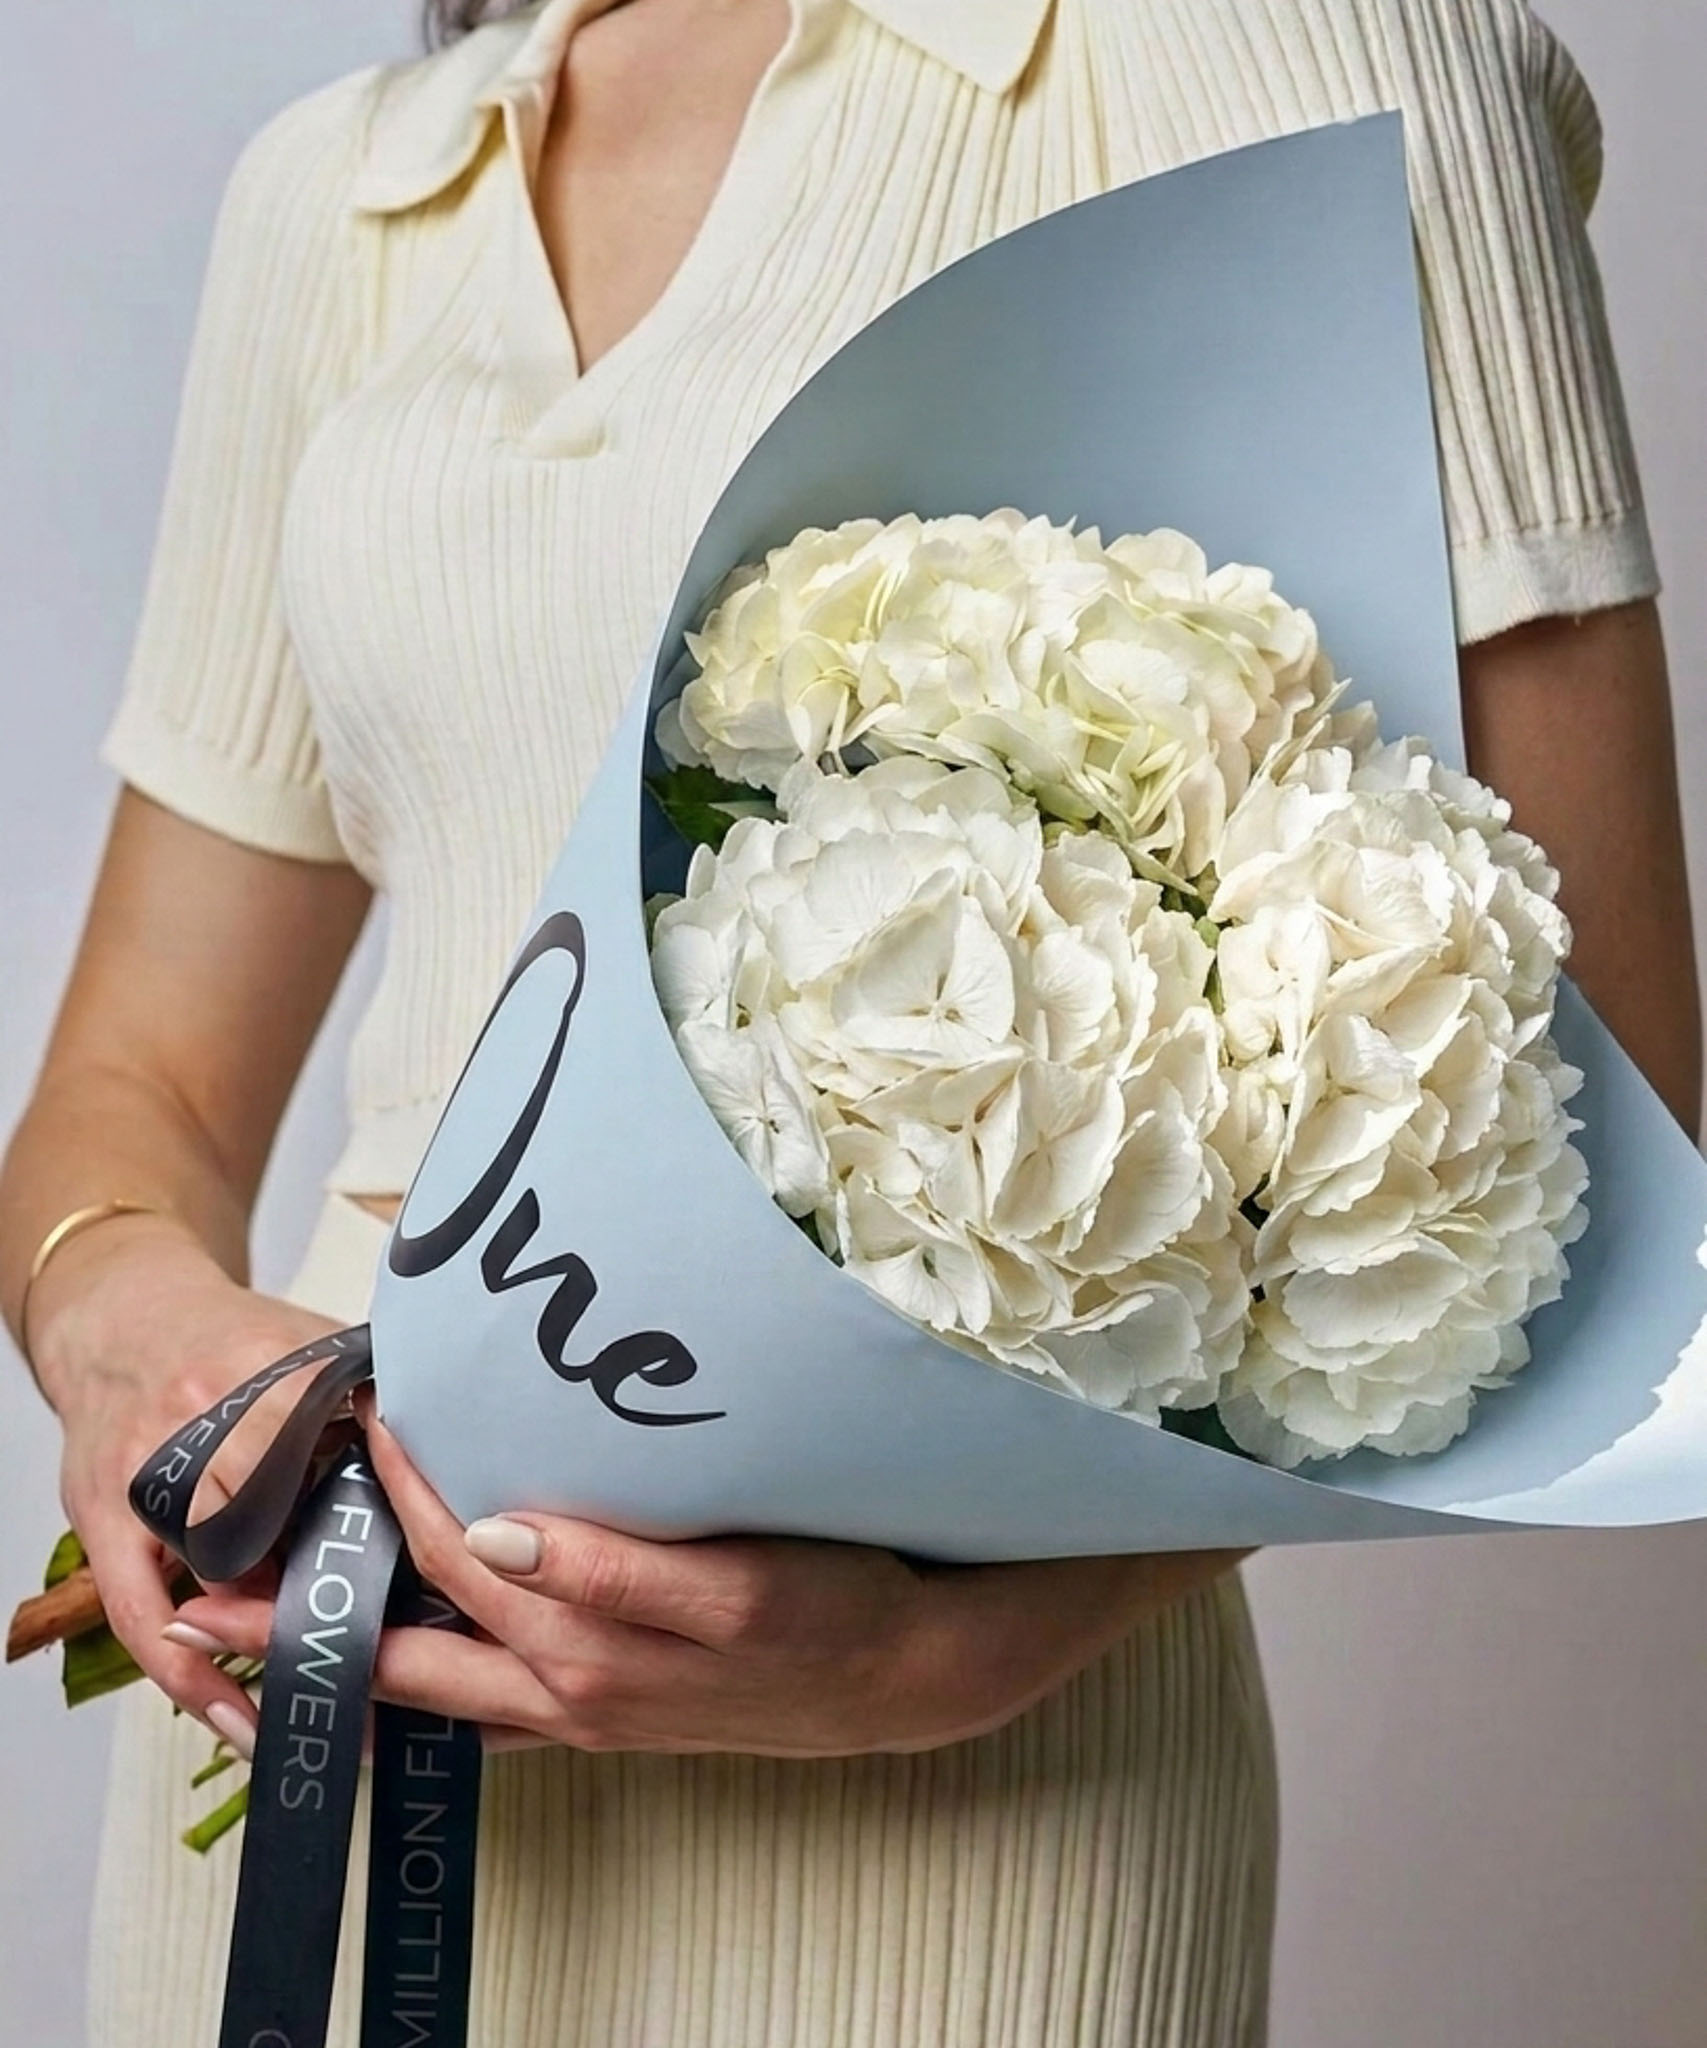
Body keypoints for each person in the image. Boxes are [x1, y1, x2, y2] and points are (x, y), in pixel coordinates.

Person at [3, 1, 1699, 2042]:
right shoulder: (341, 196)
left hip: (960, 1808)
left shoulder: (1307, 41)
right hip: (317, 1686)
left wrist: (944, 1661)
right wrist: (129, 1337)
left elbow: (1606, 1132)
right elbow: (145, 1081)